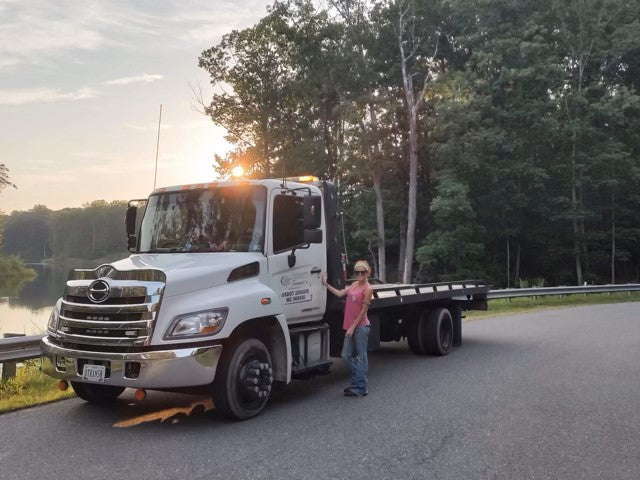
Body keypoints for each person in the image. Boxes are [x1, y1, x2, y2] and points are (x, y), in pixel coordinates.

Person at [322, 260, 373, 397]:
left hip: (361, 327)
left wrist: (352, 328)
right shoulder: (354, 284)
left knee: (361, 356)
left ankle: (360, 387)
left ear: (367, 272)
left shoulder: (368, 288)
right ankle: (359, 382)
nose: (359, 274)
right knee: (345, 355)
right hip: (351, 326)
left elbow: (363, 311)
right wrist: (326, 284)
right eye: (357, 272)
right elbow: (339, 293)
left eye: (362, 272)